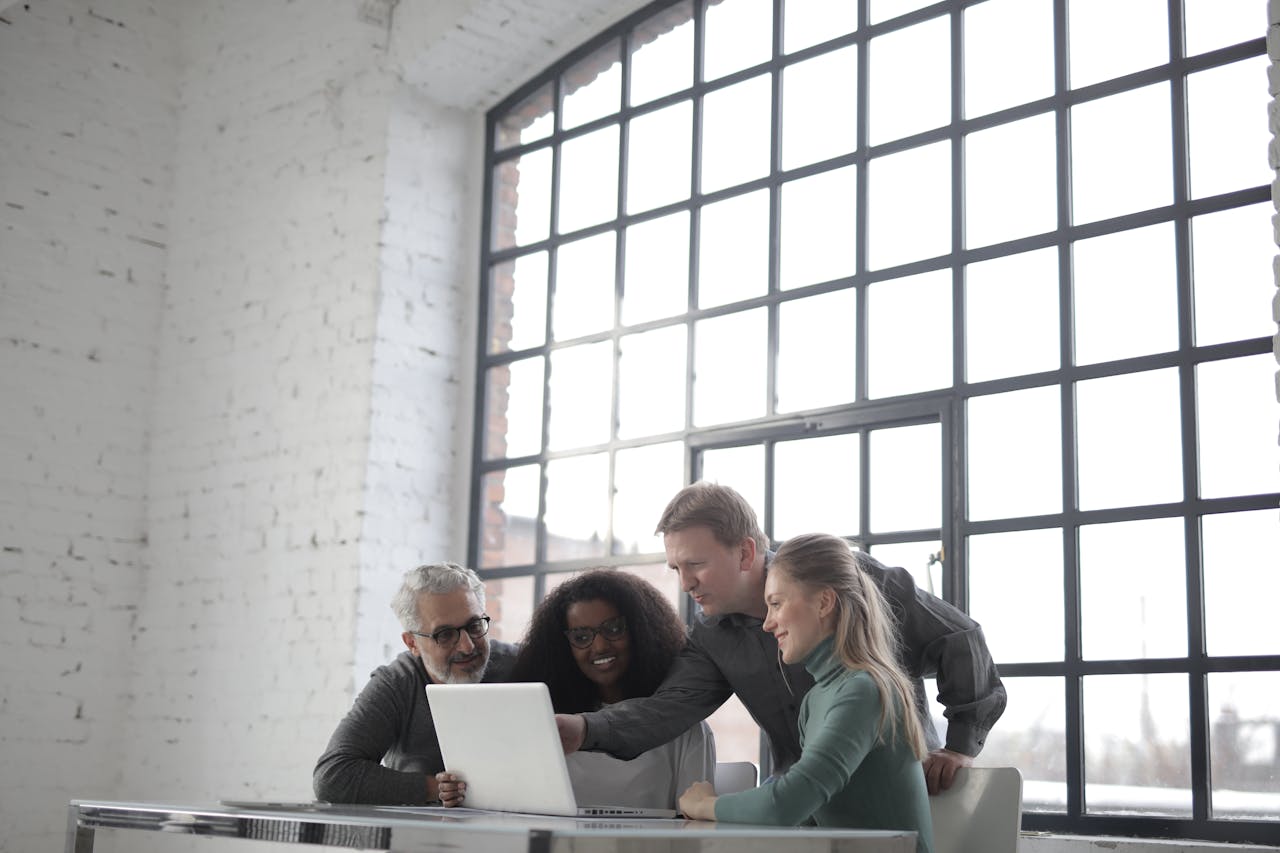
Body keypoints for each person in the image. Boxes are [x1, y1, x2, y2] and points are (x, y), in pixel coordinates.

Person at [555, 482, 1005, 795]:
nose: (686, 583)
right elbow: (665, 709)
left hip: (895, 801)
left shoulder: (846, 577)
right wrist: (584, 728)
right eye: (676, 569)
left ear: (746, 551)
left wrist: (960, 748)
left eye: (696, 564)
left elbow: (960, 639)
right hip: (801, 812)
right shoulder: (712, 636)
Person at [678, 533, 934, 851]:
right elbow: (808, 820)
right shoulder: (816, 699)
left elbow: (785, 805)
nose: (768, 624)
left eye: (776, 604)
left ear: (824, 602)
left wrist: (705, 804)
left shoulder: (864, 691)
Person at [438, 569, 715, 810]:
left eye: (614, 629)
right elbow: (507, 810)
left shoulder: (685, 729)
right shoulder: (547, 726)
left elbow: (696, 828)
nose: (600, 646)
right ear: (563, 649)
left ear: (642, 631)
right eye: (581, 637)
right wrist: (462, 792)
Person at [312, 562, 517, 804]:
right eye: (445, 635)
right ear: (412, 643)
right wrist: (436, 789)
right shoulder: (396, 684)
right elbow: (332, 776)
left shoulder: (521, 664)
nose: (467, 646)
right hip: (419, 836)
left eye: (473, 626)